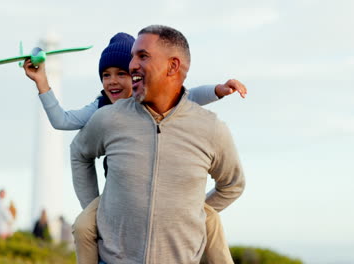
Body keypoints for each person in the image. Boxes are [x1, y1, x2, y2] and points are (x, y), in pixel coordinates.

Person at [24, 32, 246, 264]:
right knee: (82, 226)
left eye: (122, 73)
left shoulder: (166, 104)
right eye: (105, 75)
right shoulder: (103, 110)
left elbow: (190, 95)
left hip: (173, 198)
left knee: (211, 223)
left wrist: (219, 91)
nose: (112, 81)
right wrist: (42, 83)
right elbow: (64, 124)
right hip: (116, 196)